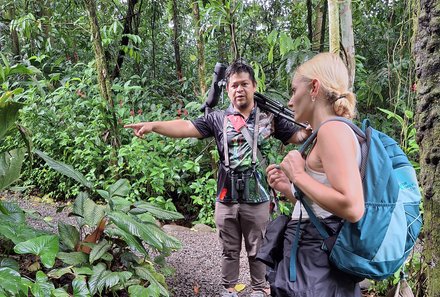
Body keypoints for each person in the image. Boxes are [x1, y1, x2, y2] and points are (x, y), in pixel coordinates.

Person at [124, 59, 309, 297]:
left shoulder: (269, 117)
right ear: (228, 89)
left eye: (244, 84)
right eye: (233, 85)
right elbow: (185, 127)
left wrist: (316, 122)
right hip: (226, 195)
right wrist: (153, 125)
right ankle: (228, 288)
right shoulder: (217, 118)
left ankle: (260, 288)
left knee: (258, 248)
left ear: (253, 86)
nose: (239, 89)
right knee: (228, 249)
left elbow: (298, 135)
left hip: (258, 195)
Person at [258, 52, 364, 296]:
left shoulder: (333, 131)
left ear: (314, 87)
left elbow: (352, 207)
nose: (290, 101)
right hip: (313, 254)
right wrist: (291, 189)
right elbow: (327, 206)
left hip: (317, 256)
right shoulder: (327, 132)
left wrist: (299, 175)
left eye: (294, 91)